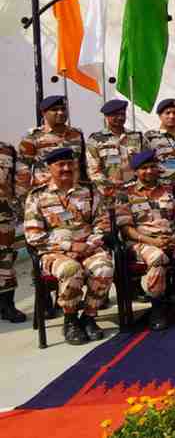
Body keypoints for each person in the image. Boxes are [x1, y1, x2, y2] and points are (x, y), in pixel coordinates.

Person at [24, 147, 113, 345]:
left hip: (89, 248)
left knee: (105, 268)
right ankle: (70, 320)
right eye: (60, 165)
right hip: (54, 253)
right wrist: (69, 246)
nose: (66, 168)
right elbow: (34, 236)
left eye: (69, 164)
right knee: (71, 269)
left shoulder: (89, 191)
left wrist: (88, 245)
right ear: (49, 168)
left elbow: (102, 223)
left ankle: (89, 316)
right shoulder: (37, 196)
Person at [117, 150, 175, 330]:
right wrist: (152, 242)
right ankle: (157, 307)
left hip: (172, 237)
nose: (149, 171)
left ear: (158, 167)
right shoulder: (125, 193)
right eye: (144, 168)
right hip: (142, 242)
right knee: (157, 257)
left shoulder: (171, 187)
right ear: (136, 171)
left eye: (152, 167)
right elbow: (126, 229)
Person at [17, 95, 86, 195]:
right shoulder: (32, 137)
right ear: (43, 113)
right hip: (46, 194)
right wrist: (24, 196)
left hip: (75, 194)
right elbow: (22, 169)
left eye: (63, 109)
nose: (61, 112)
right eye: (54, 110)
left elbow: (83, 165)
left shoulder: (77, 135)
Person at [87, 99, 145, 202]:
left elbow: (146, 164)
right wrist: (110, 186)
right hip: (108, 194)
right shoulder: (95, 140)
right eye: (115, 115)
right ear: (106, 116)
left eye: (122, 114)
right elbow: (93, 170)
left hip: (136, 192)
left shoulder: (137, 137)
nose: (120, 117)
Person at [144, 98, 175, 197]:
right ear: (160, 116)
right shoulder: (150, 137)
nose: (172, 116)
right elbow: (144, 165)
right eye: (167, 113)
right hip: (162, 191)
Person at [0, 141, 25, 323]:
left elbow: (19, 182)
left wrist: (18, 208)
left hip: (4, 217)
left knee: (6, 260)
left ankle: (7, 305)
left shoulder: (7, 150)